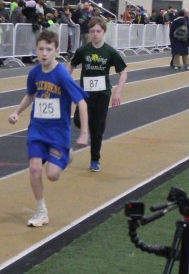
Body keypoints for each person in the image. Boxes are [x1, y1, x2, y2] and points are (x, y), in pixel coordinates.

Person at [8, 30, 89, 227]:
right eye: (41, 49)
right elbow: (31, 94)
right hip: (37, 129)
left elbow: (81, 102)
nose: (44, 53)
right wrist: (17, 112)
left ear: (56, 51)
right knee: (35, 168)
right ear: (36, 50)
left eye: (48, 49)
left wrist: (84, 132)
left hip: (57, 132)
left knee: (52, 175)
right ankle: (41, 211)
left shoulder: (61, 74)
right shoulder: (34, 73)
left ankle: (66, 155)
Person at [68, 17, 127, 172]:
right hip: (85, 94)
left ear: (104, 32)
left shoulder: (110, 51)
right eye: (92, 31)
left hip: (102, 94)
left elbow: (123, 72)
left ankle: (95, 160)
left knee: (97, 130)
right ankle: (86, 129)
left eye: (98, 31)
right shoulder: (83, 50)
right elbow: (71, 66)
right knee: (78, 121)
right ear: (89, 32)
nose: (95, 34)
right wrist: (66, 83)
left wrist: (117, 92)